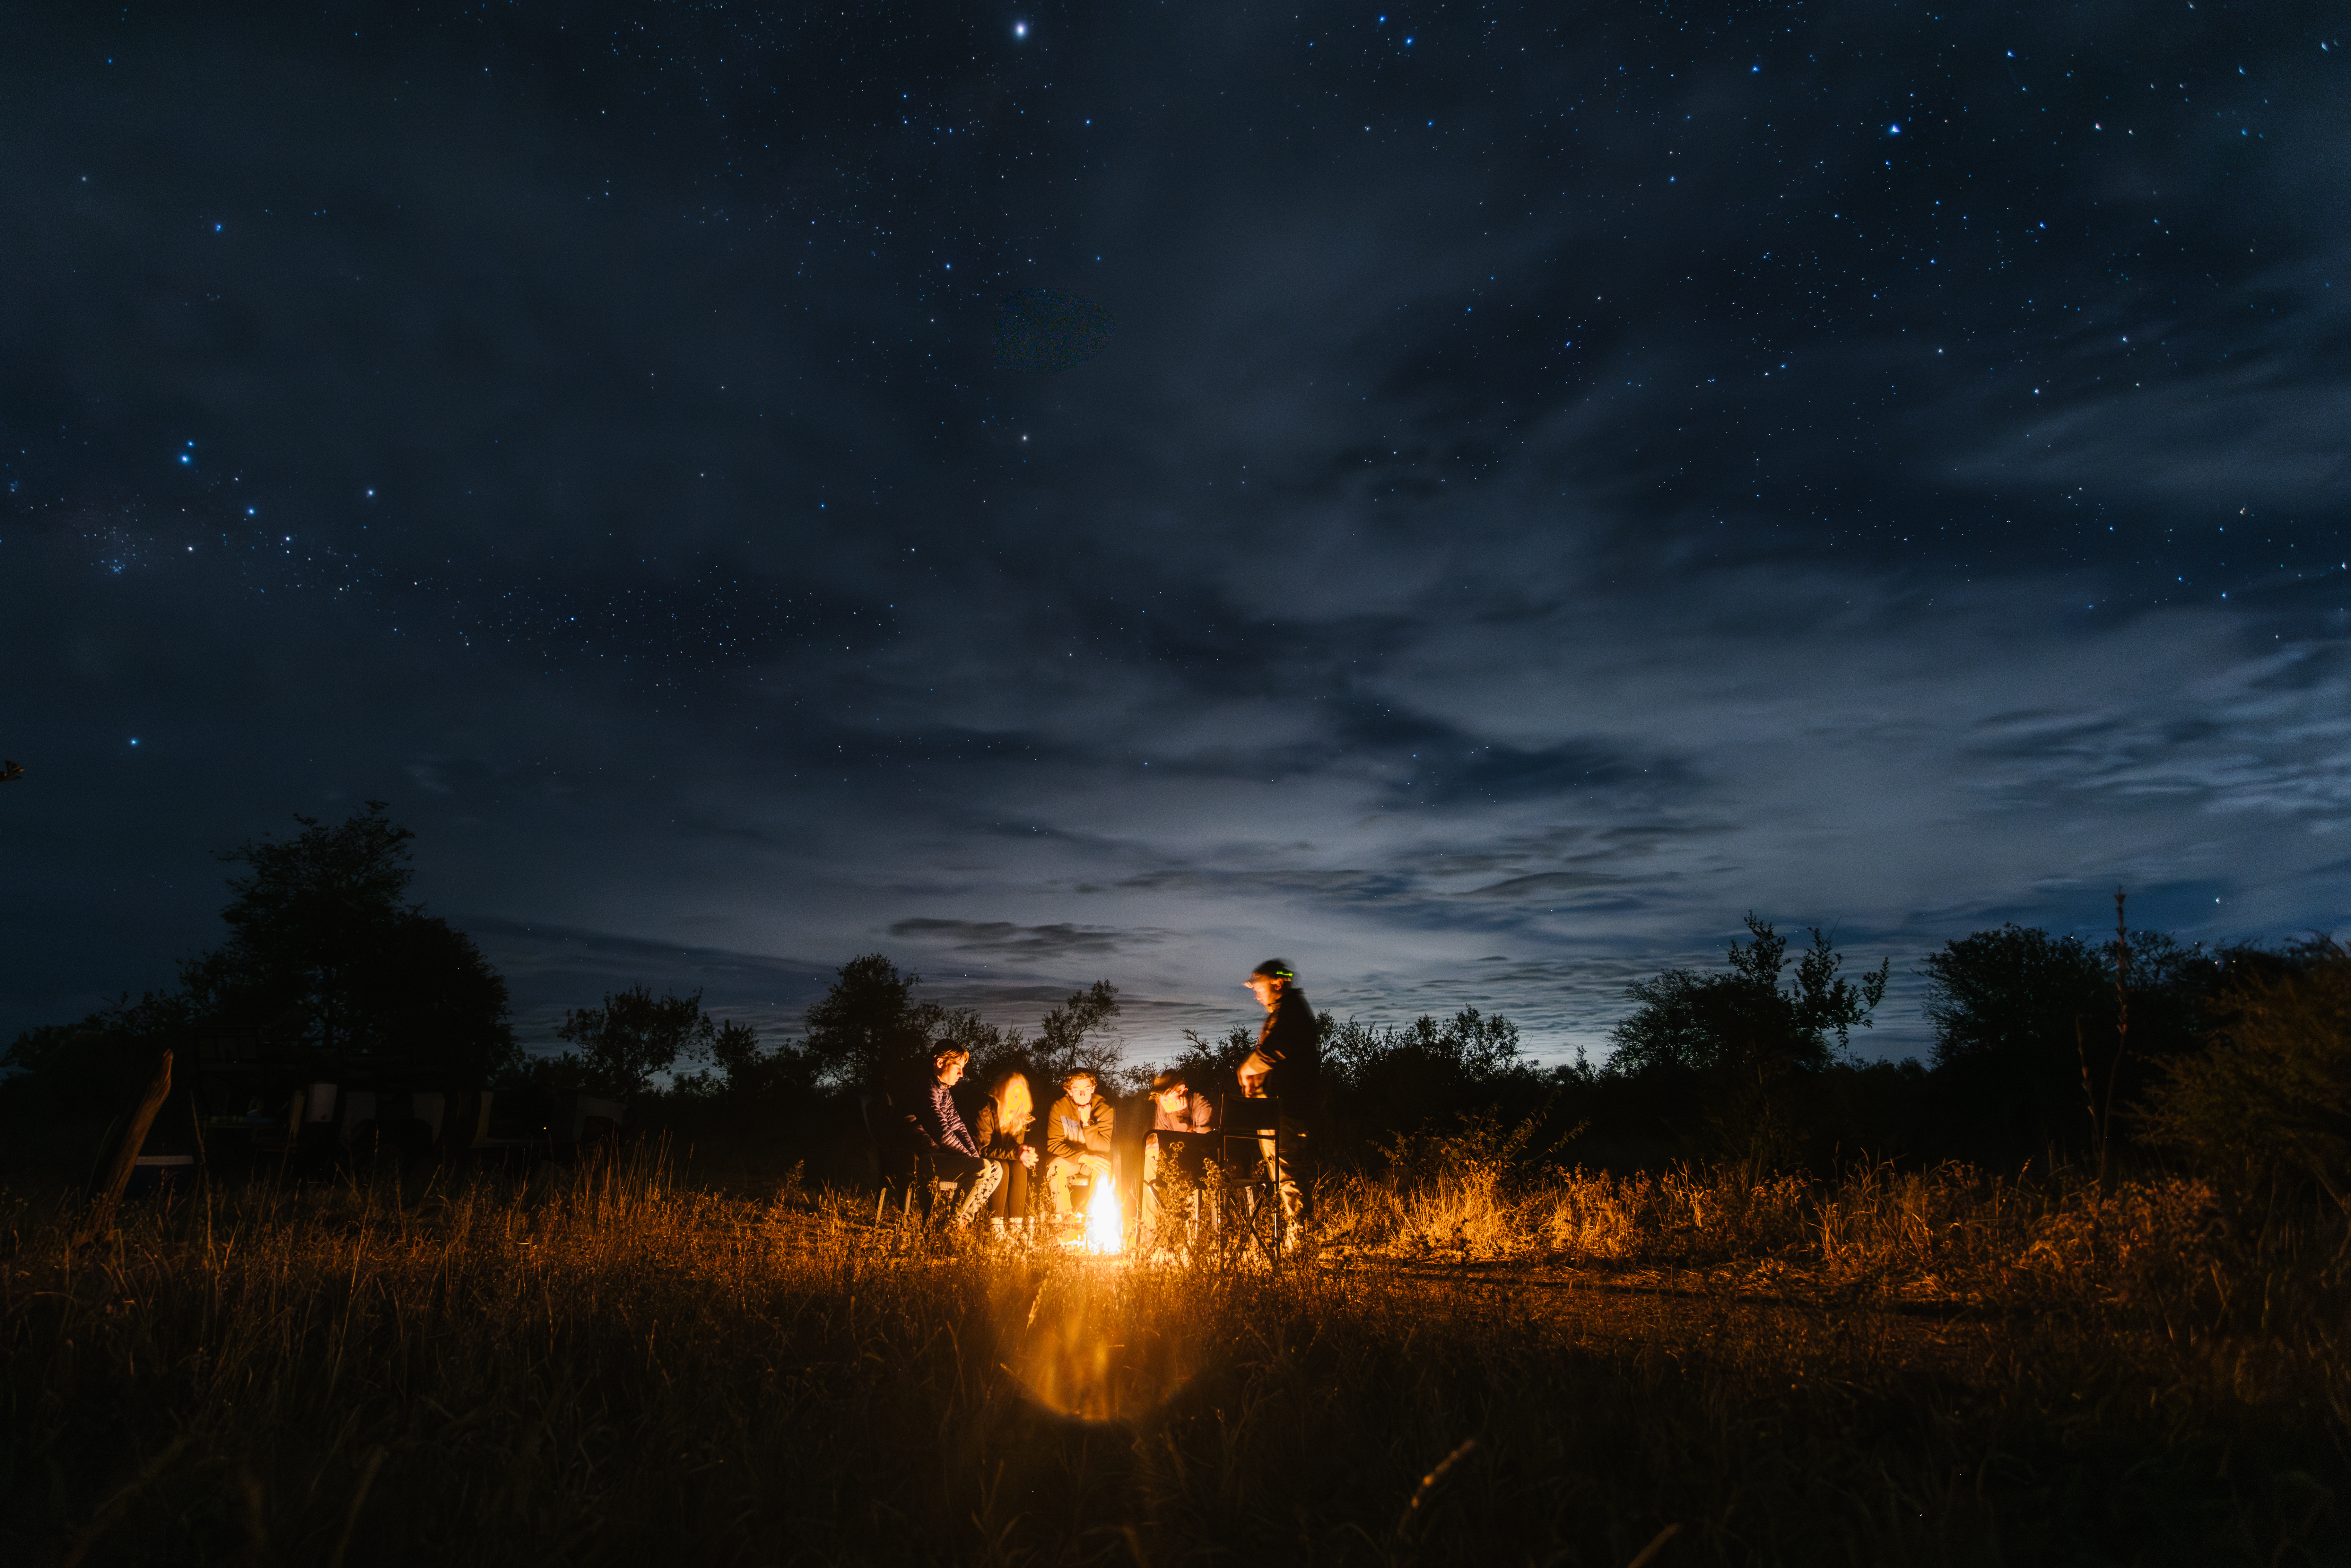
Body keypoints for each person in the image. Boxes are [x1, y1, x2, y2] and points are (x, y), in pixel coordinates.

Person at [1235, 958, 1318, 1230]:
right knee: (1283, 1173)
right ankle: (1298, 1235)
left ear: (1279, 983)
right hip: (1276, 1110)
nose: (1256, 992)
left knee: (1289, 1174)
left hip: (1287, 1111)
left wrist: (1247, 1070)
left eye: (1259, 986)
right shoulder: (1284, 1012)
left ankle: (1301, 1237)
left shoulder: (1291, 1011)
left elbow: (1274, 1051)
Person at [906, 1042, 1000, 1230]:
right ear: (940, 1063)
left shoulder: (944, 1091)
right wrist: (972, 1161)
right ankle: (947, 1227)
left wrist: (974, 1156)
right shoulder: (924, 1089)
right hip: (924, 1159)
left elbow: (959, 1127)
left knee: (996, 1169)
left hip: (941, 1157)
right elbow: (943, 1134)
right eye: (958, 1068)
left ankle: (961, 1222)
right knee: (982, 1168)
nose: (961, 1074)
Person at [1140, 1068, 1215, 1252]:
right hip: (1177, 1159)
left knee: (1194, 1164)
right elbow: (1162, 1137)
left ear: (1182, 1090)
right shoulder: (1164, 1107)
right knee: (1149, 1161)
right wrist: (1155, 1147)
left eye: (1166, 1098)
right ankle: (1148, 1235)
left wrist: (1181, 1117)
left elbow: (1204, 1147)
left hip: (1204, 1164)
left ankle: (1195, 1236)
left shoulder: (1202, 1105)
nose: (1163, 1104)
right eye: (1160, 1099)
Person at [1042, 1069, 1115, 1233]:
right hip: (1069, 1159)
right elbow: (1054, 1144)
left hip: (1093, 1159)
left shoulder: (1104, 1110)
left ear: (1093, 1089)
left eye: (1087, 1089)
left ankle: (1094, 1223)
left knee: (1103, 1169)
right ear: (1069, 1091)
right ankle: (1065, 1224)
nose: (1083, 1094)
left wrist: (1088, 1123)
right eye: (1077, 1090)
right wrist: (1083, 1157)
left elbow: (1103, 1147)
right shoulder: (1059, 1108)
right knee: (1054, 1167)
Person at [973, 1069, 1041, 1238]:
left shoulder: (1019, 1117)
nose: (1015, 1100)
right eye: (1011, 1094)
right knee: (1002, 1166)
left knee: (1018, 1166)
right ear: (1000, 1093)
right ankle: (995, 1229)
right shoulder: (985, 1112)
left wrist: (1025, 1153)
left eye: (1019, 1096)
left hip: (1004, 1160)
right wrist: (1016, 1153)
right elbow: (982, 1149)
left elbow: (1014, 1150)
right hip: (979, 1160)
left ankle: (1016, 1228)